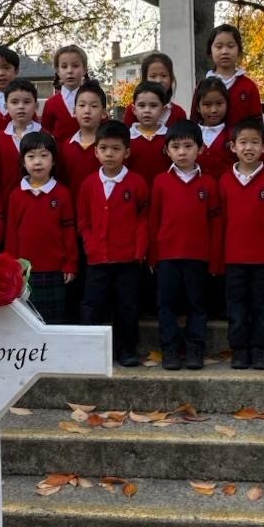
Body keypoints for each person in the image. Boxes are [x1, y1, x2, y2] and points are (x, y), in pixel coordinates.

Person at [216, 116, 264, 370]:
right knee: (236, 308)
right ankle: (239, 350)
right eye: (243, 142)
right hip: (234, 260)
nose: (249, 148)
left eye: (255, 142)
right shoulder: (225, 181)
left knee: (263, 307)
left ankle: (260, 350)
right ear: (233, 146)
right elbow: (220, 224)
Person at [148, 120, 220, 370]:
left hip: (198, 256)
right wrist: (153, 256)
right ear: (167, 150)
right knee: (166, 305)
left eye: (188, 146)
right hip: (167, 256)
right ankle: (169, 350)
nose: (182, 152)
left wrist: (214, 259)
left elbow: (215, 223)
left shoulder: (209, 184)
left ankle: (194, 350)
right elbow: (154, 221)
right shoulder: (160, 182)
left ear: (200, 148)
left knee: (196, 304)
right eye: (176, 147)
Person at [77, 119, 149, 367]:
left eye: (116, 149)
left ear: (126, 152)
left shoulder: (136, 183)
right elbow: (83, 220)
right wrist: (89, 243)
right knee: (93, 304)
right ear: (95, 151)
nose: (109, 154)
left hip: (128, 259)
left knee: (127, 306)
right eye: (104, 148)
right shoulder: (89, 184)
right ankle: (90, 350)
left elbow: (143, 219)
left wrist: (139, 251)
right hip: (97, 259)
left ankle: (126, 349)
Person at [5, 131, 77, 324]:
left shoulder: (62, 194)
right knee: (27, 320)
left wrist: (70, 263)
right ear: (23, 162)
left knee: (54, 321)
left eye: (44, 156)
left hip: (55, 270)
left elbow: (69, 231)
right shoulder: (16, 196)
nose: (38, 162)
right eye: (31, 157)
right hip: (26, 272)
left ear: (53, 161)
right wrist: (13, 266)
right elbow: (11, 233)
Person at [0, 79, 43, 209]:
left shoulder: (46, 136)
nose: (21, 106)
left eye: (27, 102)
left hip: (40, 203)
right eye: (14, 102)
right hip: (8, 204)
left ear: (36, 106)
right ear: (6, 106)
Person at [201, 23, 262, 130]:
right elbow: (194, 124)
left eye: (230, 46)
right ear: (210, 52)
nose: (225, 51)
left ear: (239, 50)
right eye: (219, 47)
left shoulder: (249, 87)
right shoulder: (202, 87)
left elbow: (257, 126)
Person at [57, 80, 106, 202]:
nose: (87, 111)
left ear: (104, 113)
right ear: (74, 111)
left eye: (94, 106)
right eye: (82, 105)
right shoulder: (67, 146)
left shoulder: (108, 146)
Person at [121, 52, 188, 129]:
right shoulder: (132, 111)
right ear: (144, 79)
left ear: (171, 79)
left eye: (163, 76)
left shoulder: (179, 113)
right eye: (153, 76)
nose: (158, 80)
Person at [126, 80, 171, 191]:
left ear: (163, 110)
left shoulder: (171, 138)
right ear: (134, 109)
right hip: (134, 195)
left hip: (164, 194)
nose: (147, 110)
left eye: (153, 105)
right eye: (141, 105)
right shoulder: (126, 138)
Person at [42, 44, 88, 144]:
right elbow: (46, 133)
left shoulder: (93, 101)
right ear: (58, 71)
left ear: (84, 69)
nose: (70, 71)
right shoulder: (51, 104)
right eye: (64, 66)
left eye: (75, 66)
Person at [192, 78, 235, 181]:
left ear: (227, 104)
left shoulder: (234, 135)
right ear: (198, 107)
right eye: (207, 105)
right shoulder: (190, 134)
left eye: (219, 104)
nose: (214, 110)